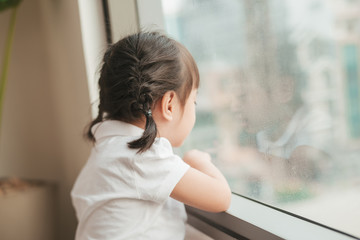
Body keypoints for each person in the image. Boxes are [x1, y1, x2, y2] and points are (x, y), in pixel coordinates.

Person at [71, 31, 231, 240]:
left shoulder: (108, 149)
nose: (194, 109)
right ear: (169, 105)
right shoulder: (143, 157)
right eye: (194, 102)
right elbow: (220, 197)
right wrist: (198, 160)